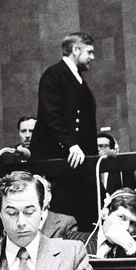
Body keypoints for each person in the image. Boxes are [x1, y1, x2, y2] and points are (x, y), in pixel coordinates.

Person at [30, 32, 98, 229]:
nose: (92, 57)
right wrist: (70, 144)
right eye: (89, 52)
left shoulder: (77, 79)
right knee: (63, 220)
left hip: (77, 167)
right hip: (60, 166)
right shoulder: (54, 75)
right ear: (75, 50)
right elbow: (50, 115)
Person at [68, 188, 136, 258]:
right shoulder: (72, 239)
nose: (126, 227)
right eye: (121, 217)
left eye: (133, 223)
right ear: (105, 213)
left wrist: (132, 246)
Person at [97, 132, 136, 196]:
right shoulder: (91, 169)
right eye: (97, 146)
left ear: (112, 150)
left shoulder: (123, 169)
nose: (98, 149)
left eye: (102, 146)